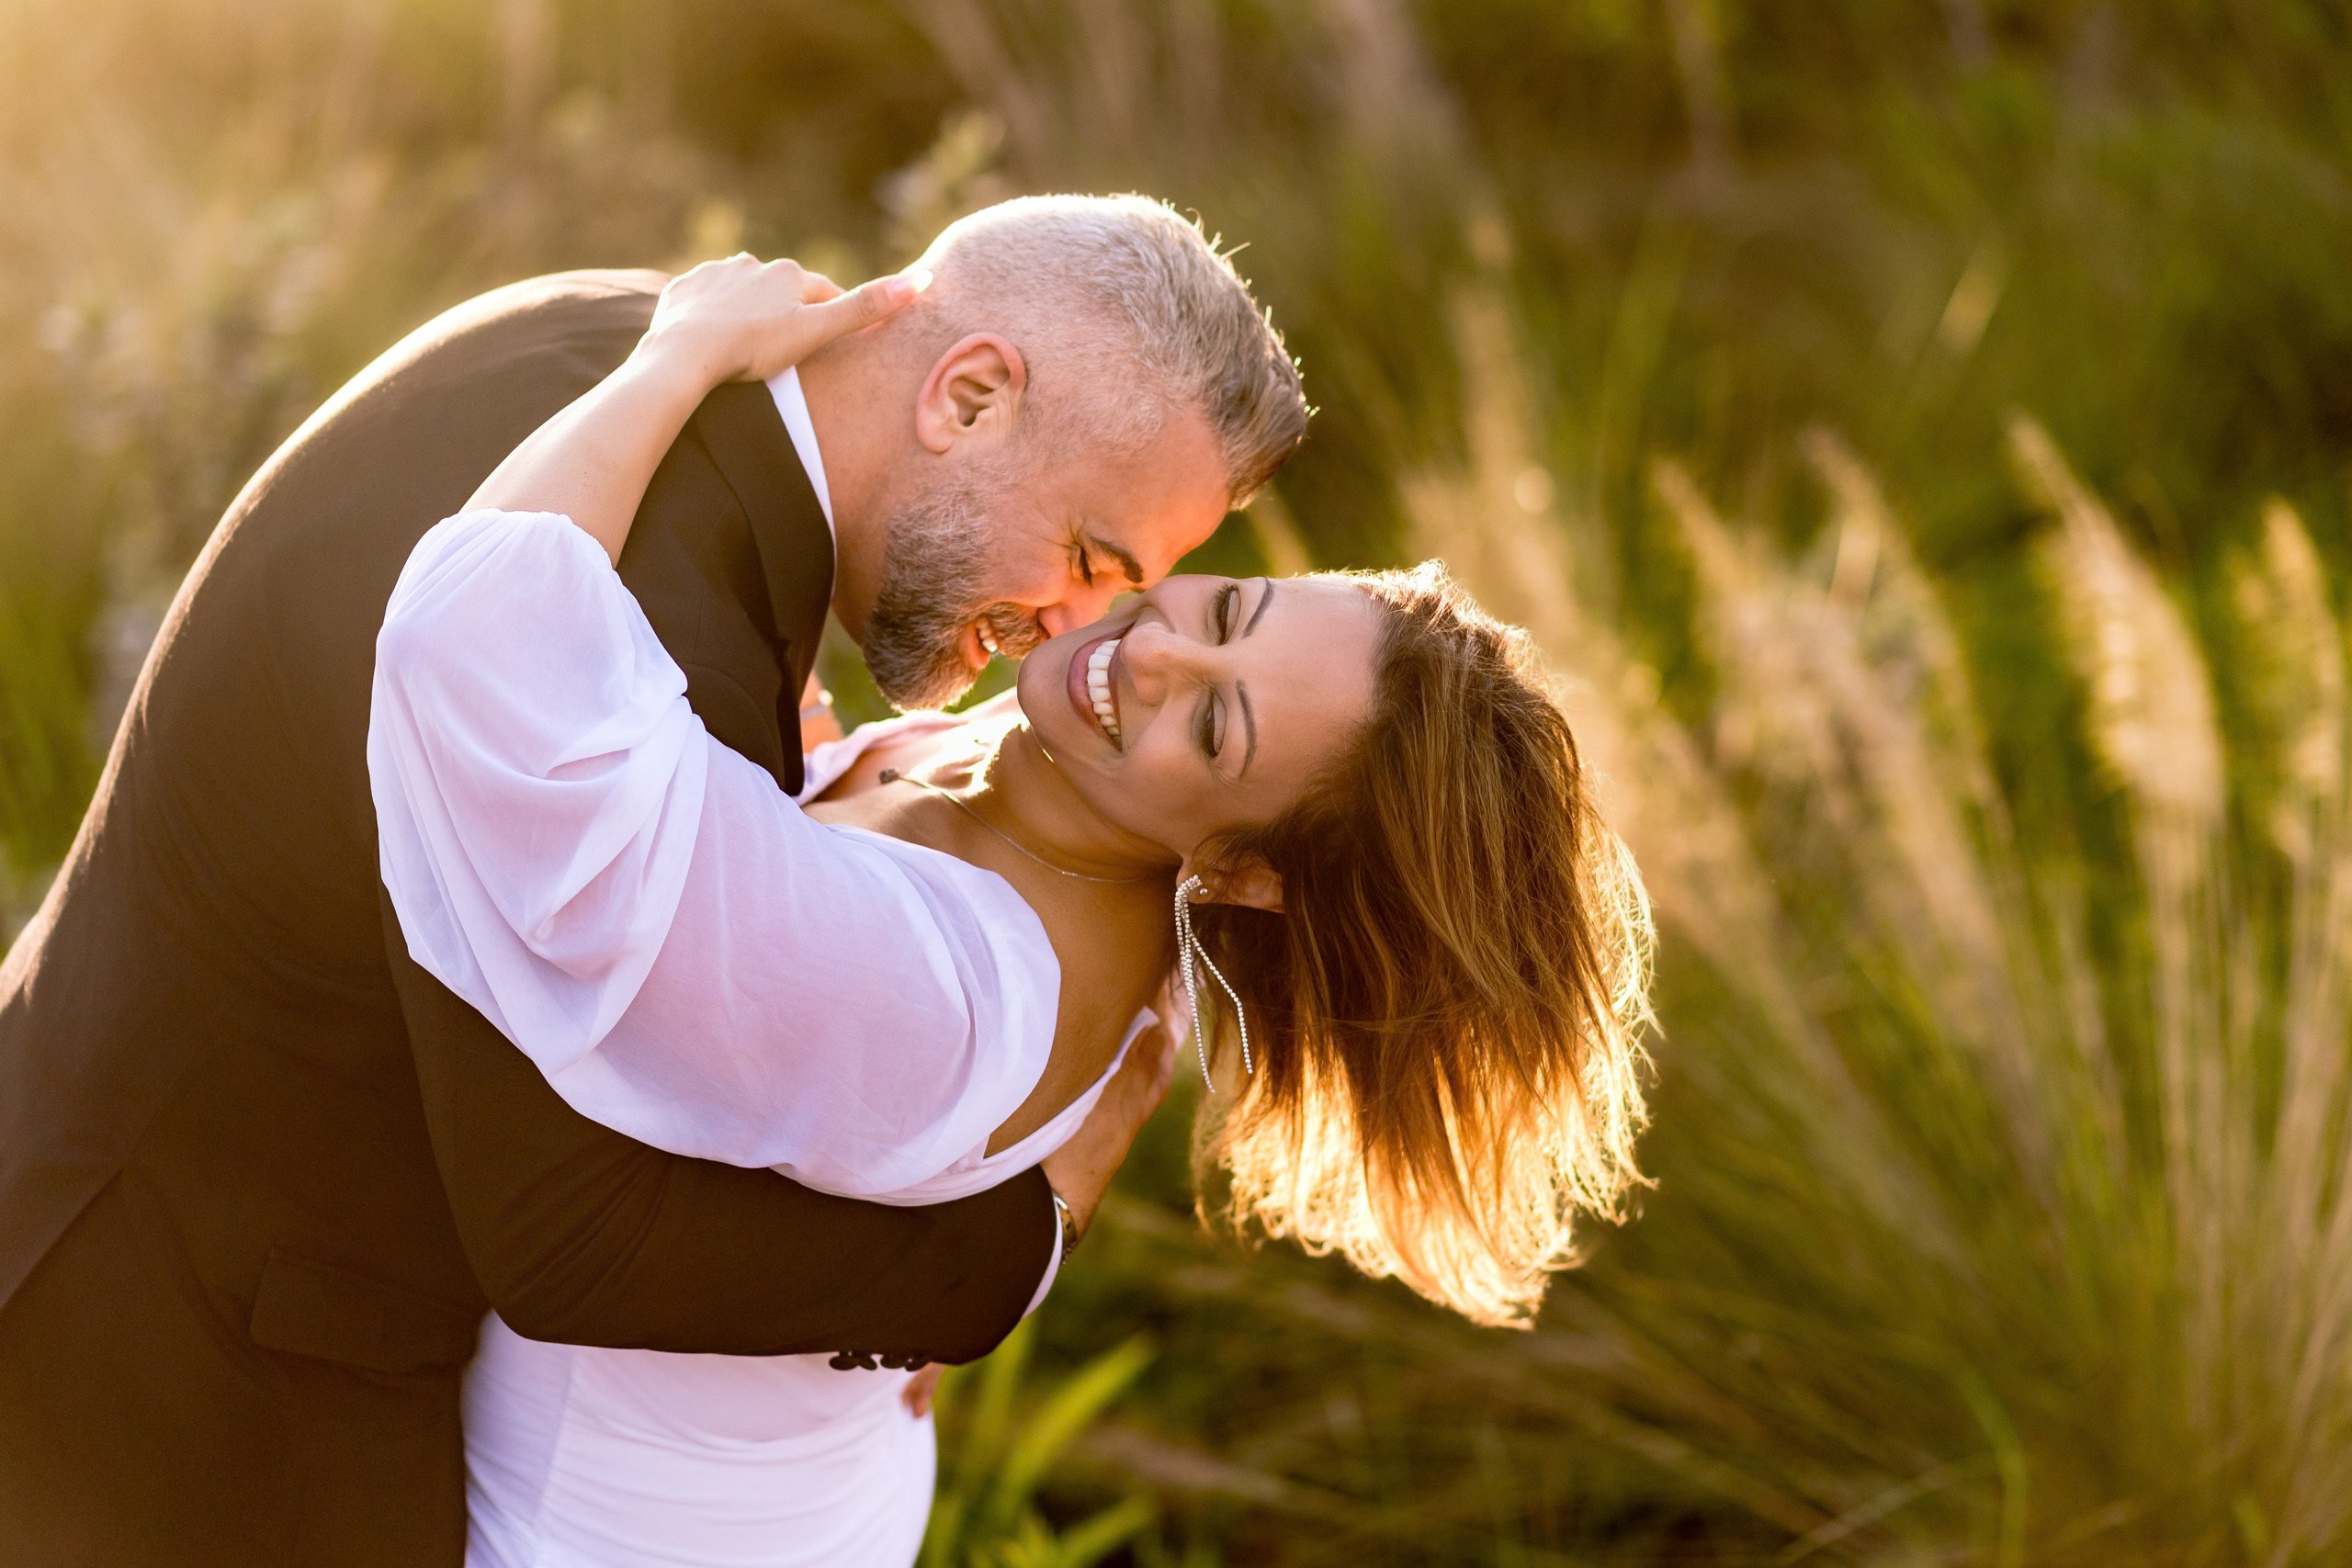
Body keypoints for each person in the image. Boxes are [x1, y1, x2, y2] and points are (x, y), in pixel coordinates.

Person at [0, 195, 1306, 1565]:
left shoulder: (629, 339)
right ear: (967, 396)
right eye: (1090, 558)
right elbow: (575, 1231)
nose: (1074, 626)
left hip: (101, 1197)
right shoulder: (633, 614)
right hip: (184, 1394)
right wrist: (1005, 1248)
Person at [368, 255, 1657, 1563]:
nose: (1149, 652)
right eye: (1229, 608)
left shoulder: (941, 986)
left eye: (1216, 725)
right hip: (812, 1460)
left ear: (1245, 869)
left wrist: (678, 356)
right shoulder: (1067, 785)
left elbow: (473, 649)